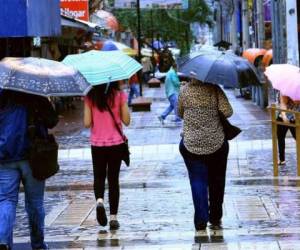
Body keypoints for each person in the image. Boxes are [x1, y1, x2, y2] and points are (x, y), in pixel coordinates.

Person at [0, 90, 58, 250]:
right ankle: (38, 245)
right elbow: (52, 120)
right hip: (34, 156)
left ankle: (3, 241)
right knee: (35, 203)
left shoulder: (2, 89)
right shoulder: (36, 91)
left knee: (6, 199)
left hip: (5, 154)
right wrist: (47, 101)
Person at [178, 80, 233, 231]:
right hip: (216, 142)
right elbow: (228, 111)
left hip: (191, 144)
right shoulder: (215, 89)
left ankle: (201, 220)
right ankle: (215, 217)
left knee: (197, 180)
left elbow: (180, 112)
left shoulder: (184, 90)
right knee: (217, 180)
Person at [84, 82, 130, 230]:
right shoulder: (119, 95)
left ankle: (99, 201)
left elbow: (86, 122)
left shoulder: (90, 97)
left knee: (98, 176)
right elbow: (127, 121)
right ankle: (113, 218)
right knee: (113, 180)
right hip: (116, 144)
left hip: (97, 144)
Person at [277, 94, 300, 165]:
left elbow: (296, 102)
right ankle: (282, 159)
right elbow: (282, 103)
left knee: (298, 138)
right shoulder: (285, 90)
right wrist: (284, 116)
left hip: (295, 118)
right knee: (280, 138)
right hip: (283, 118)